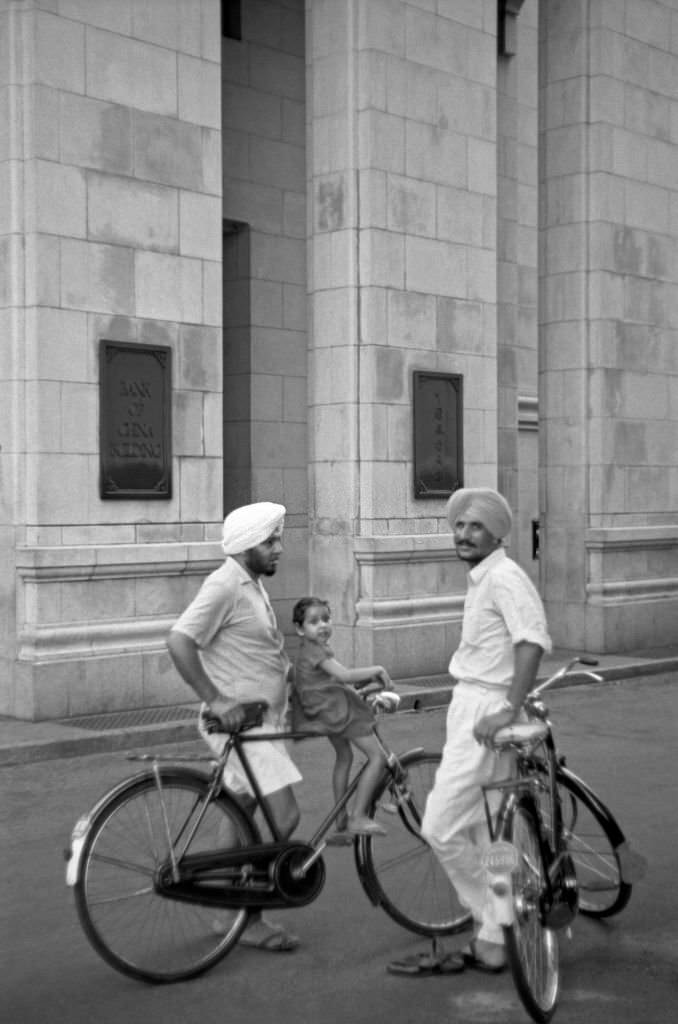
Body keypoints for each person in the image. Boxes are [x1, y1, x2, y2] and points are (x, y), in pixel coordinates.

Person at [391, 487, 551, 977]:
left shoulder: (504, 577)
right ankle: (494, 934)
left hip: (486, 711)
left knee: (439, 825)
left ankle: (496, 919)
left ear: (497, 532)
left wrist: (507, 708)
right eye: (459, 525)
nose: (463, 534)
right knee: (487, 833)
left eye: (474, 526)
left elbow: (533, 642)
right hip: (472, 706)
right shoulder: (484, 577)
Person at [166, 501, 302, 952]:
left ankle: (228, 912)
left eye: (277, 538)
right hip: (241, 725)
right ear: (246, 546)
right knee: (285, 815)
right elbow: (180, 640)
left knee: (238, 809)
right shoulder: (225, 585)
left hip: (261, 721)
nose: (279, 548)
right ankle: (251, 914)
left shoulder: (250, 583)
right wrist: (216, 699)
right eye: (270, 541)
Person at [290, 596, 394, 839]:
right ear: (299, 629)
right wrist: (377, 669)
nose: (323, 625)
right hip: (334, 709)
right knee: (377, 757)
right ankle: (357, 816)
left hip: (323, 709)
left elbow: (333, 678)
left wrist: (361, 682)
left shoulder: (309, 649)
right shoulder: (316, 651)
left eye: (326, 618)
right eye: (314, 622)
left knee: (345, 756)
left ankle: (340, 817)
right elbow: (345, 675)